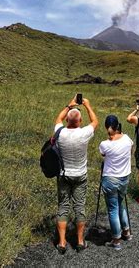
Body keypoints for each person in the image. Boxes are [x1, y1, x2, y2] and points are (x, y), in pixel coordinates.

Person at [53, 95, 98, 254]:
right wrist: (87, 105)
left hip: (64, 175)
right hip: (80, 175)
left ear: (67, 121)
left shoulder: (60, 133)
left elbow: (58, 118)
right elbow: (95, 122)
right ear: (79, 122)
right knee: (79, 207)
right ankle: (80, 241)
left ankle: (62, 242)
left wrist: (69, 105)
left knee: (63, 207)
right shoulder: (84, 133)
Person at [99, 115, 133, 250]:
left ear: (107, 127)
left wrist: (110, 137)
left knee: (113, 209)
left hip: (110, 178)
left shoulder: (105, 144)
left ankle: (116, 240)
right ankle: (126, 232)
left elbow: (103, 155)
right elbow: (130, 149)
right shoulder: (127, 139)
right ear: (118, 126)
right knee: (120, 204)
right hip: (124, 177)